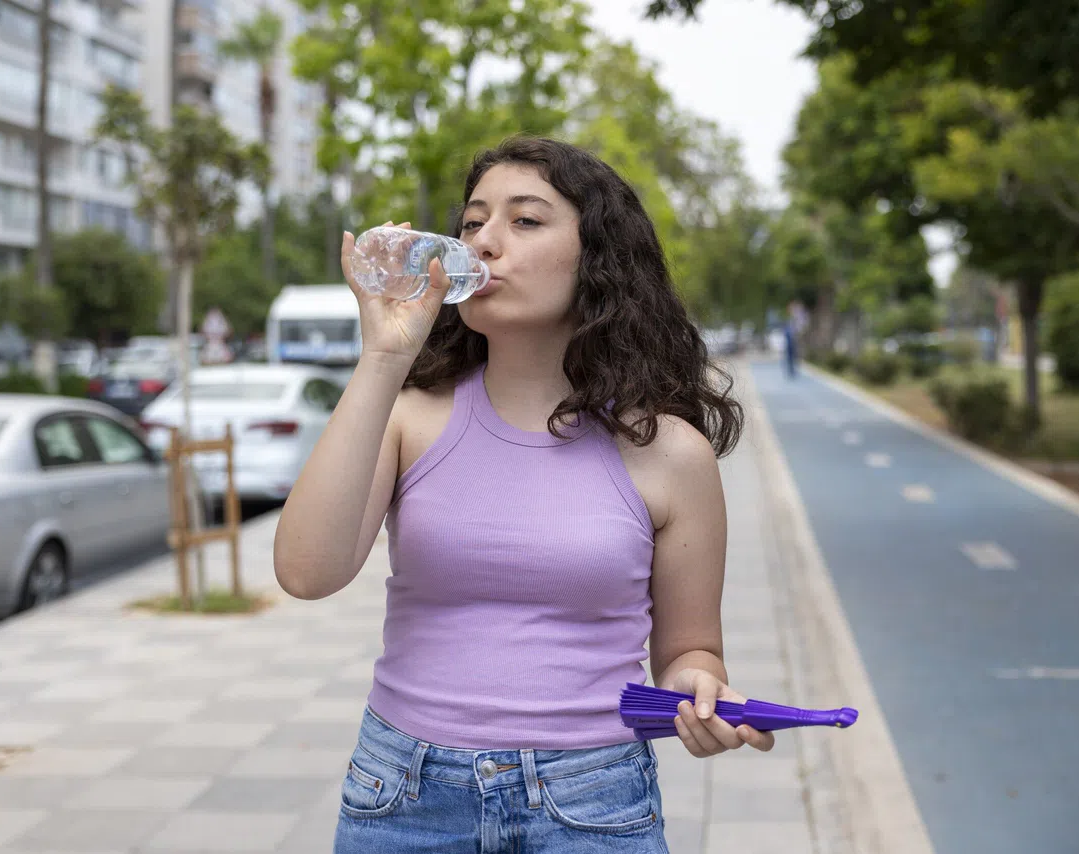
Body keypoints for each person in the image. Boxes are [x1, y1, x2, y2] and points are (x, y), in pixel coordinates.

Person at [273, 136, 775, 853]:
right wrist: (385, 356)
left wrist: (701, 694)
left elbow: (691, 649)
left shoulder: (670, 453)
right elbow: (305, 572)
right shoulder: (409, 414)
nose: (482, 242)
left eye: (525, 220)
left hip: (592, 803)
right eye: (473, 221)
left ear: (598, 258)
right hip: (402, 796)